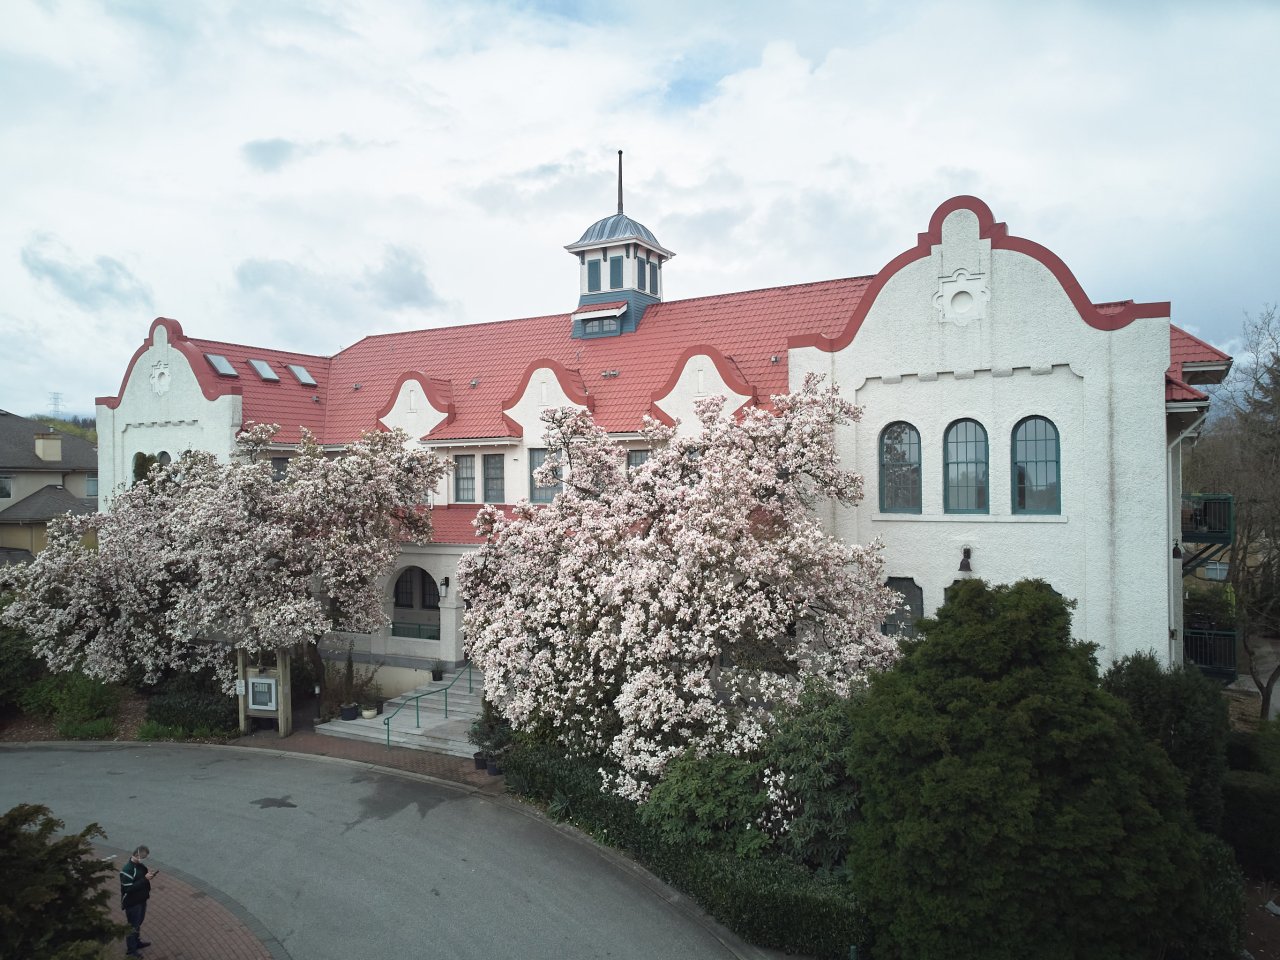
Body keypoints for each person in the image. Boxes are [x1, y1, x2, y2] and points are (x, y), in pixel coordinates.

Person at [119, 844, 157, 957]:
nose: (143, 859)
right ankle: (131, 951)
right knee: (132, 926)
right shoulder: (127, 870)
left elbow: (143, 878)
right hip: (132, 903)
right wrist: (145, 879)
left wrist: (149, 876)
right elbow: (128, 889)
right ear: (136, 855)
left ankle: (137, 942)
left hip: (141, 900)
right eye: (143, 857)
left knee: (138, 923)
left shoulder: (139, 866)